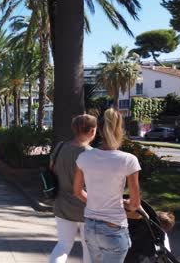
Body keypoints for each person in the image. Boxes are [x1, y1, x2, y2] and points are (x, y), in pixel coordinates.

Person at [73, 108, 141, 263]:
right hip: (114, 227)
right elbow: (135, 203)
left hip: (90, 226)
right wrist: (125, 204)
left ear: (100, 132)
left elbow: (77, 192)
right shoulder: (129, 160)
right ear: (119, 130)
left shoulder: (84, 157)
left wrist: (96, 202)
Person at [49, 114, 97, 263]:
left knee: (63, 245)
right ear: (92, 131)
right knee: (88, 247)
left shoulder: (60, 147)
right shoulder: (92, 154)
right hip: (86, 206)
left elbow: (52, 170)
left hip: (62, 204)